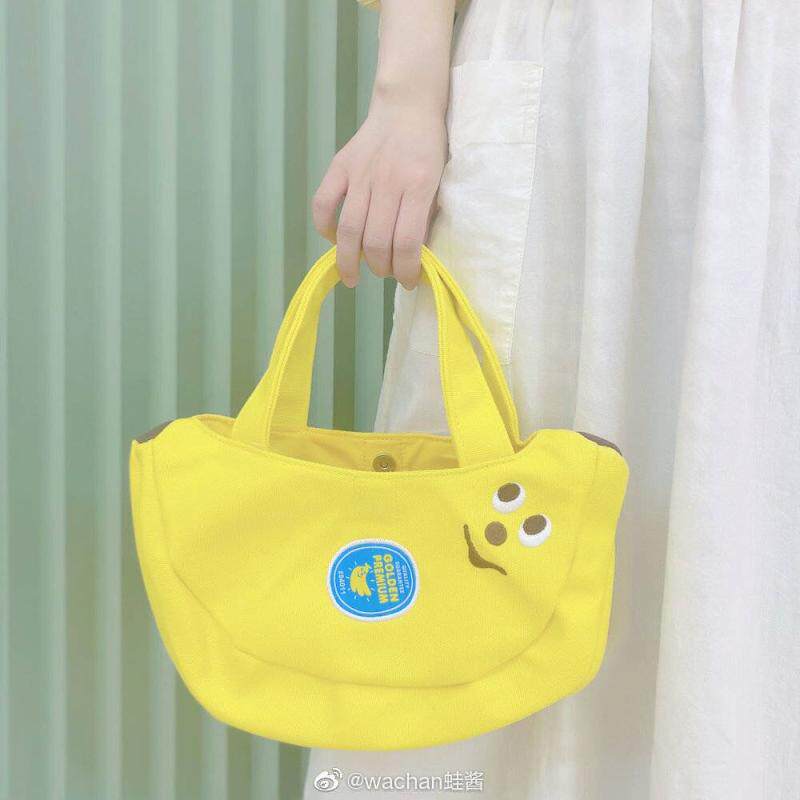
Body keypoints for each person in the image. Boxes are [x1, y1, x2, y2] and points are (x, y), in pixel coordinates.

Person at [307, 1, 800, 798]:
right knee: (479, 576)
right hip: (566, 73)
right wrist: (407, 91)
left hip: (778, 83)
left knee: (750, 571)